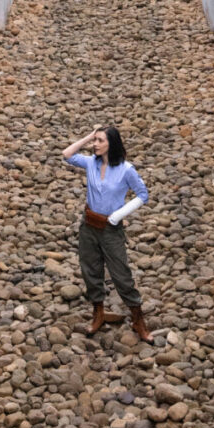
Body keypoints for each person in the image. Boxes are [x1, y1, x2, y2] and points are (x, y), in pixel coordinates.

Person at [62, 126, 151, 341]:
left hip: (111, 229)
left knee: (121, 273)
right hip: (89, 225)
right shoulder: (91, 162)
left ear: (111, 143)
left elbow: (143, 194)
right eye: (95, 140)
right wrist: (88, 136)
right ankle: (98, 312)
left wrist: (119, 215)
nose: (95, 144)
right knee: (90, 270)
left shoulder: (126, 169)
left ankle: (138, 319)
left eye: (100, 140)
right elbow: (67, 155)